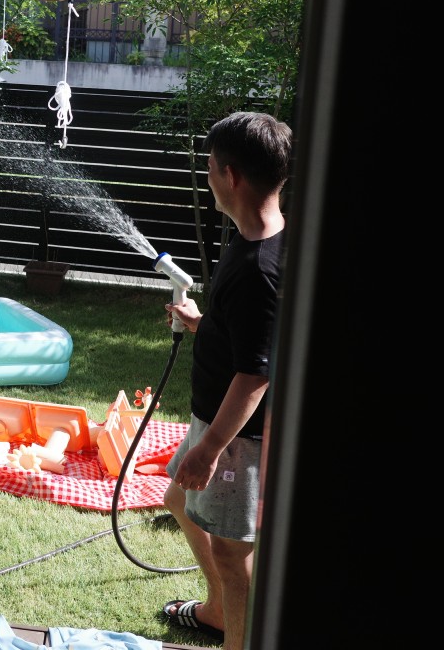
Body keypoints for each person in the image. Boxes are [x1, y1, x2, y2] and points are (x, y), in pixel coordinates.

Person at [159, 111, 292, 650]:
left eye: (210, 167)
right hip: (216, 423)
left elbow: (256, 372)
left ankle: (238, 634)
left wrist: (211, 448)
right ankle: (217, 612)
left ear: (231, 175)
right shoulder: (254, 237)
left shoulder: (261, 267)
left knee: (233, 554)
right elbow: (252, 337)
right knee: (177, 501)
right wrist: (204, 324)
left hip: (237, 438)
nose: (207, 176)